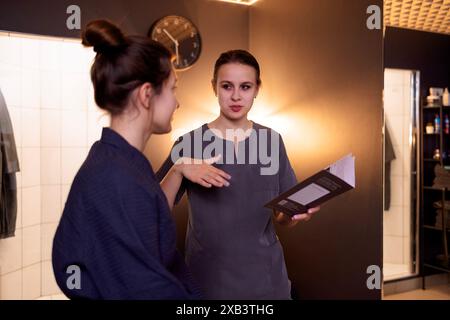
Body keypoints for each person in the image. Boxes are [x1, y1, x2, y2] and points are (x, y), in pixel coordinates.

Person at [52, 19, 201, 300]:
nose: (177, 102)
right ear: (147, 94)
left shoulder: (120, 163)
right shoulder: (114, 176)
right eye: (173, 89)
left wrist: (179, 171)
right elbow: (143, 289)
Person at [157, 49, 320, 299]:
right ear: (214, 87)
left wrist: (295, 215)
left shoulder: (271, 142)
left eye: (245, 87)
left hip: (267, 282)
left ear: (257, 89)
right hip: (208, 281)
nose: (235, 96)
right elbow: (154, 211)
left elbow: (282, 218)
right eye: (226, 86)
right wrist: (178, 168)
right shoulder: (188, 143)